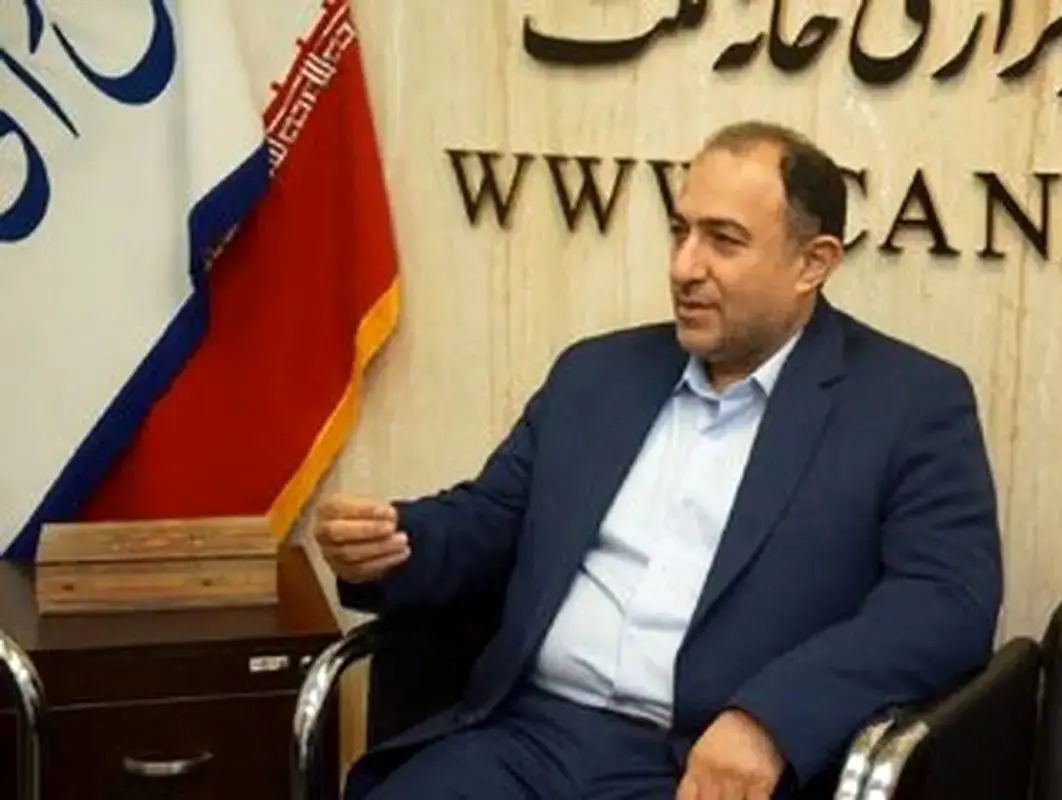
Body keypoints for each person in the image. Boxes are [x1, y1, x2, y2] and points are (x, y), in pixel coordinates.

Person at [315, 120, 1003, 800]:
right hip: (526, 740)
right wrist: (393, 542)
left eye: (723, 241)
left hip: (702, 768)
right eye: (680, 232)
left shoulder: (908, 404)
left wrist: (771, 720)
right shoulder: (596, 375)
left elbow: (944, 603)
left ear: (812, 263)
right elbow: (491, 520)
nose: (684, 268)